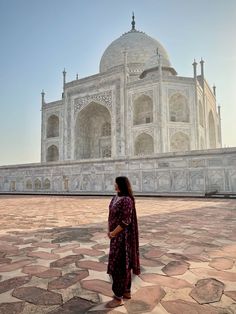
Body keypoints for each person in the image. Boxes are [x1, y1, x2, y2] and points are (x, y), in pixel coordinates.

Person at [106, 176, 140, 308]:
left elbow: (126, 221)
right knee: (122, 263)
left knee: (119, 265)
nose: (114, 184)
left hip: (123, 238)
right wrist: (109, 230)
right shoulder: (115, 197)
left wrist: (114, 233)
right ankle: (126, 291)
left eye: (116, 182)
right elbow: (111, 215)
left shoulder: (127, 200)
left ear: (121, 184)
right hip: (114, 236)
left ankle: (118, 297)